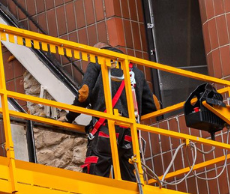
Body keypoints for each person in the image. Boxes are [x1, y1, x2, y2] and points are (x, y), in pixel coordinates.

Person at [65, 43, 160, 181]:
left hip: (106, 129)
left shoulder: (98, 61)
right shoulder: (136, 72)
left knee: (96, 176)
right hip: (129, 132)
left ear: (97, 51)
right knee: (131, 177)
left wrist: (69, 117)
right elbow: (152, 106)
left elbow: (84, 95)